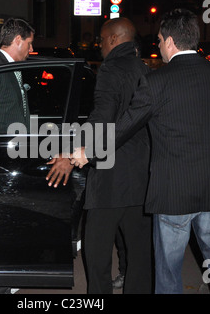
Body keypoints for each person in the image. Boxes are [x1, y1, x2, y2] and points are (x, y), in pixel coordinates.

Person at [70, 8, 210, 294]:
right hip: (205, 189)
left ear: (171, 42)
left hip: (167, 193)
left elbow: (118, 124)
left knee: (163, 270)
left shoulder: (155, 81)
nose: (159, 47)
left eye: (161, 41)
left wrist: (86, 152)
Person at [49, 18, 153, 294]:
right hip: (141, 175)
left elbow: (101, 117)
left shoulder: (111, 68)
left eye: (102, 39)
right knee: (140, 252)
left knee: (96, 251)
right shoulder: (144, 69)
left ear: (113, 39)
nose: (99, 45)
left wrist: (75, 153)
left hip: (110, 176)